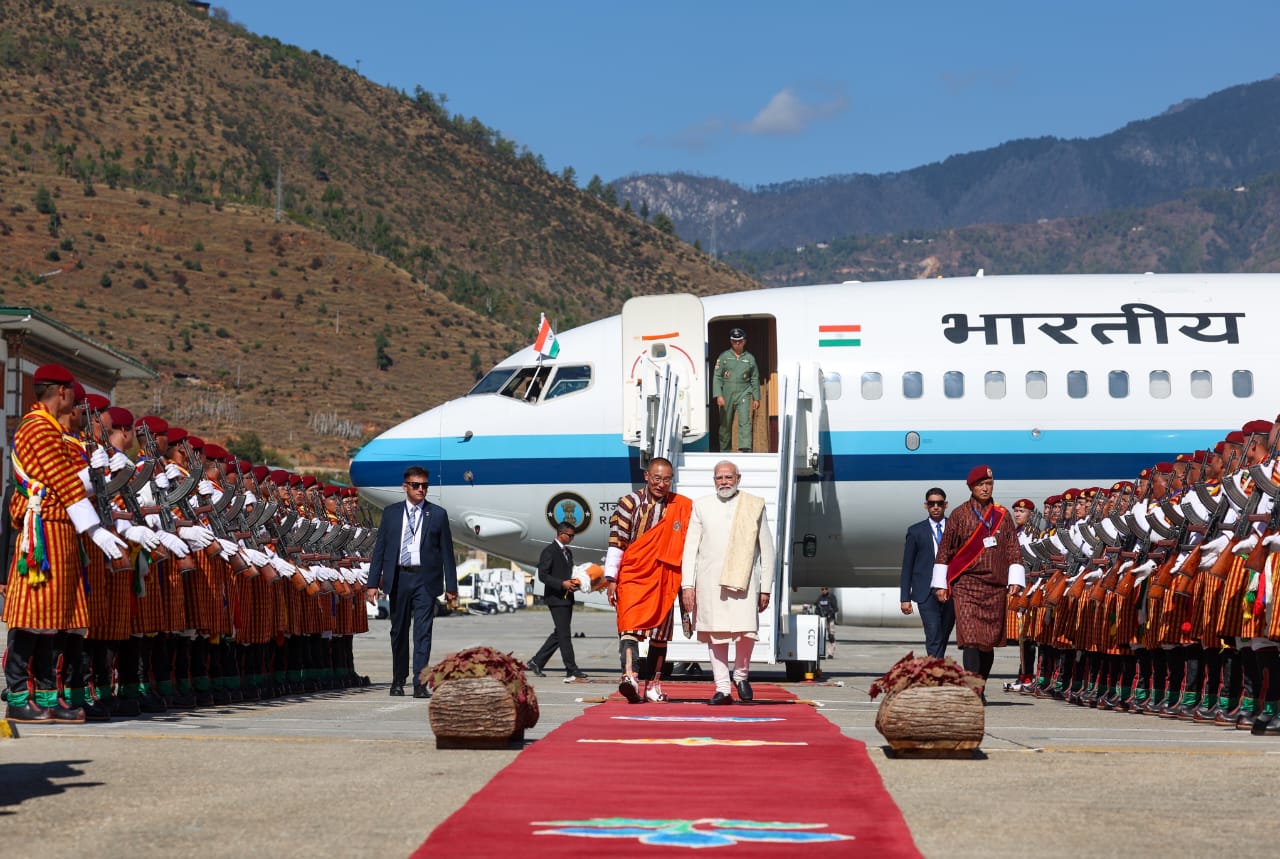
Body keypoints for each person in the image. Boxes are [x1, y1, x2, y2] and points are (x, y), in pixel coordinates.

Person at [3, 364, 128, 724]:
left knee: (52, 618)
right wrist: (95, 530)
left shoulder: (52, 428)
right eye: (72, 392)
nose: (75, 398)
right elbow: (63, 484)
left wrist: (97, 477)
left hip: (60, 527)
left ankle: (46, 696)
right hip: (41, 530)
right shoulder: (38, 428)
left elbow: (67, 485)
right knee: (32, 615)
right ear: (61, 392)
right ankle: (17, 697)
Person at [680, 460, 775, 704]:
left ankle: (741, 675)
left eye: (728, 477)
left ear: (738, 479)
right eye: (719, 478)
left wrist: (766, 587)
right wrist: (687, 586)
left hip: (743, 581)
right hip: (710, 583)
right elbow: (691, 549)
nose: (724, 482)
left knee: (746, 633)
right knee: (715, 635)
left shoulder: (754, 505)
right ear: (714, 481)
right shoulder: (701, 506)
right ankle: (722, 688)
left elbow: (767, 550)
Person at [932, 465, 1025, 697]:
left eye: (989, 484)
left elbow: (1014, 548)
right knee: (971, 639)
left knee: (987, 642)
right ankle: (972, 690)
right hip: (966, 585)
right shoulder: (959, 514)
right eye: (981, 484)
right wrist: (941, 584)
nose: (985, 488)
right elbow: (944, 551)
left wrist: (1015, 579)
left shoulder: (1002, 517)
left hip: (994, 586)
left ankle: (980, 685)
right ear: (971, 487)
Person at [604, 456, 692, 704]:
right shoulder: (629, 503)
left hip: (666, 575)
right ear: (646, 477)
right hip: (634, 573)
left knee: (660, 633)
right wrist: (612, 578)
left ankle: (654, 684)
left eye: (666, 479)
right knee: (629, 625)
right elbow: (617, 540)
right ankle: (630, 677)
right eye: (657, 478)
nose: (661, 484)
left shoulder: (681, 506)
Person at [366, 466, 458, 698]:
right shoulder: (391, 513)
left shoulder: (437, 514)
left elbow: (448, 553)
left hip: (426, 580)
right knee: (398, 631)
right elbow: (380, 550)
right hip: (399, 578)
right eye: (416, 485)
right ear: (405, 486)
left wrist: (452, 587)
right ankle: (398, 680)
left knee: (423, 632)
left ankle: (420, 682)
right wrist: (372, 583)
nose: (421, 490)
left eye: (425, 486)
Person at [528, 522, 588, 682]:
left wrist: (577, 582)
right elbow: (543, 575)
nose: (572, 538)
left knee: (560, 633)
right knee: (565, 635)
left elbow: (570, 572)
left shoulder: (567, 552)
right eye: (570, 535)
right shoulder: (549, 551)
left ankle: (536, 661)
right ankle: (571, 669)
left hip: (567, 598)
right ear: (561, 533)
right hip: (555, 598)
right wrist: (562, 584)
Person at [900, 487, 956, 658]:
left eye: (939, 503)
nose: (936, 507)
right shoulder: (916, 531)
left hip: (950, 589)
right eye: (932, 503)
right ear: (926, 506)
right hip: (926, 591)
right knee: (933, 632)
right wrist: (905, 598)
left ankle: (936, 666)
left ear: (946, 505)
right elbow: (907, 566)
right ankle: (935, 669)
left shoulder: (955, 529)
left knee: (944, 633)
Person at [712, 328, 760, 452]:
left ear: (744, 341)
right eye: (734, 341)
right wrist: (718, 395)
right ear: (731, 342)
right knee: (725, 423)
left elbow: (754, 378)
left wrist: (756, 397)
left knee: (745, 421)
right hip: (727, 392)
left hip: (744, 391)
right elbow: (717, 376)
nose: (737, 344)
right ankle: (725, 449)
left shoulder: (750, 358)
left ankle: (745, 448)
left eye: (739, 341)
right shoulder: (724, 357)